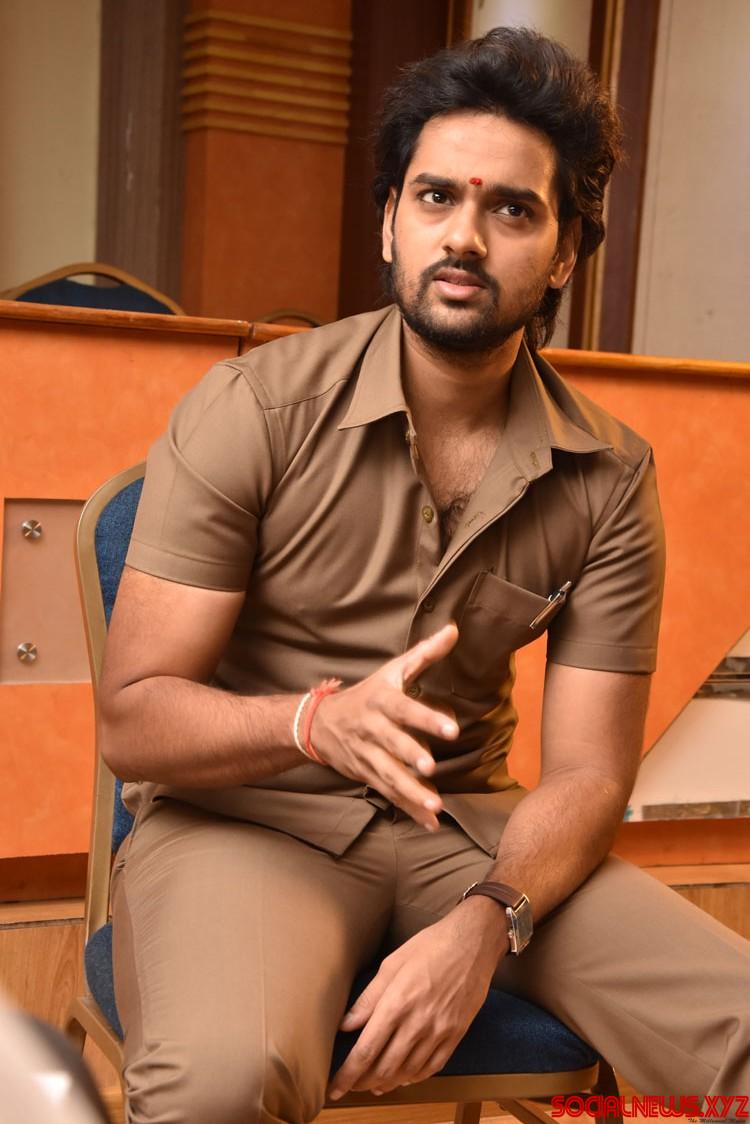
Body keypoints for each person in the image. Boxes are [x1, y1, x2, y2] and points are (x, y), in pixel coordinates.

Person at [100, 26, 750, 1124]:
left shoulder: (609, 474)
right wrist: (314, 722)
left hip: (469, 836)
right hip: (247, 823)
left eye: (514, 210)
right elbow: (133, 720)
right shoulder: (252, 408)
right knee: (222, 1081)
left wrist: (491, 917)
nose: (464, 236)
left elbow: (589, 775)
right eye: (436, 196)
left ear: (565, 253)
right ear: (389, 222)